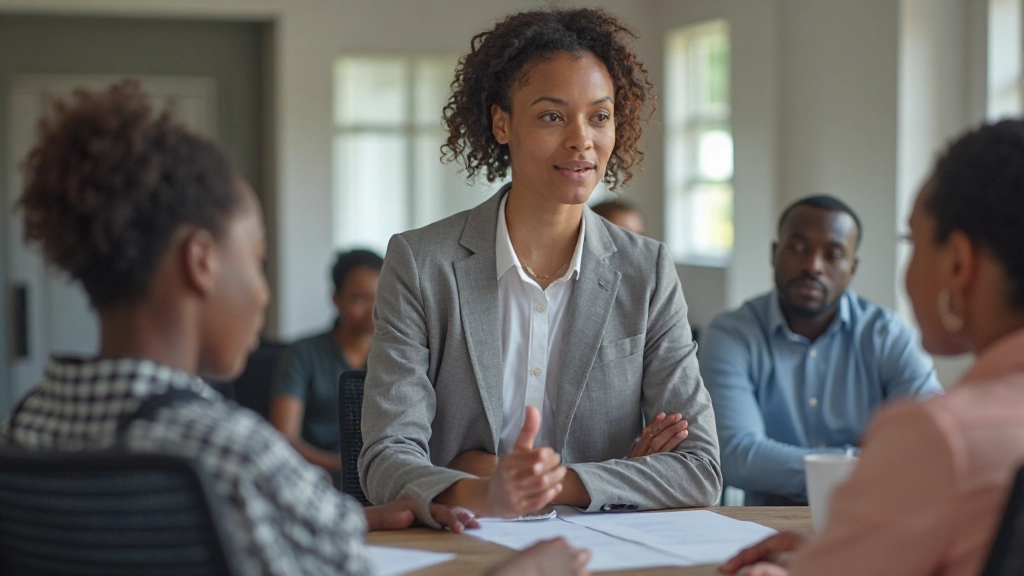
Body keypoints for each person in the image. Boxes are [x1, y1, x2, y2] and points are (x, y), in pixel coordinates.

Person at [0, 80, 590, 576]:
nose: (264, 292)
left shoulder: (26, 426)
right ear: (200, 262)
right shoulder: (231, 454)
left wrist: (337, 517)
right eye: (255, 261)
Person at [359, 7, 721, 528]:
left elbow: (700, 468)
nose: (582, 140)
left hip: (603, 552)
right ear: (502, 123)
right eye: (552, 116)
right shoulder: (421, 263)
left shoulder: (648, 271)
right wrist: (483, 494)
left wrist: (548, 483)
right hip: (467, 544)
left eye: (600, 116)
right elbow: (385, 458)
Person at [720, 119, 1024, 576]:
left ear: (958, 264)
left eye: (913, 242)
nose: (813, 266)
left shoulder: (935, 437)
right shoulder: (737, 331)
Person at [700, 194, 942, 505]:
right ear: (775, 253)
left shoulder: (887, 335)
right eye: (798, 248)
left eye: (832, 254)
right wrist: (867, 463)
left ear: (852, 268)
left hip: (871, 520)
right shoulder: (731, 334)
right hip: (766, 527)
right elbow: (735, 455)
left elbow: (930, 439)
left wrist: (822, 468)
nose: (813, 266)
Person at [270, 249, 382, 475]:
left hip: (380, 479)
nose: (372, 310)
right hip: (316, 476)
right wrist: (343, 467)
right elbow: (283, 437)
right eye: (359, 298)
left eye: (381, 297)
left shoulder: (396, 356)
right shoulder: (302, 353)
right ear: (336, 298)